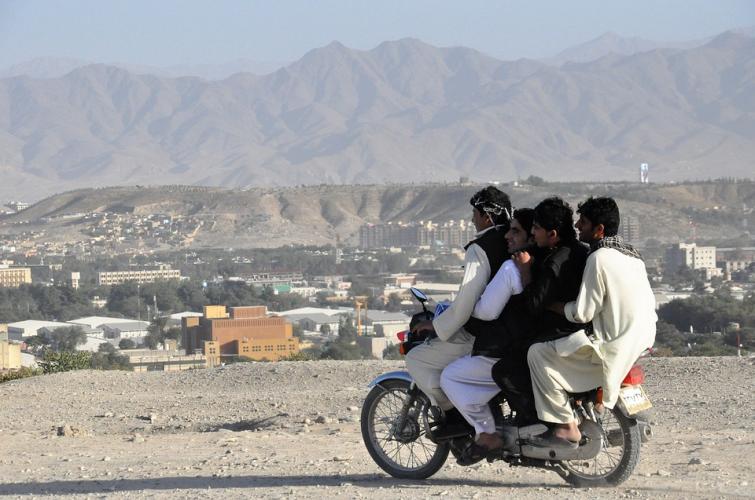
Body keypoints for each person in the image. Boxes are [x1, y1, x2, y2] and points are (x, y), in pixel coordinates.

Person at [526, 197, 657, 449]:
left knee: (537, 354)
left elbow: (582, 313)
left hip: (612, 344)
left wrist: (552, 305)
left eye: (583, 222)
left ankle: (564, 426)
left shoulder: (598, 258)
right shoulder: (633, 256)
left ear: (599, 229)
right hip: (642, 340)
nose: (577, 226)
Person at [408, 186, 511, 435]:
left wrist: (436, 326)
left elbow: (466, 303)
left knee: (416, 359)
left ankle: (454, 417)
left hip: (483, 334)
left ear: (487, 216)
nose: (472, 219)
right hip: (512, 327)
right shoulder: (512, 240)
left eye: (475, 213)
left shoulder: (480, 248)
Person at [439, 208, 534, 461]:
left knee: (451, 377)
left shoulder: (510, 269)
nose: (508, 237)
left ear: (531, 235)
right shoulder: (547, 262)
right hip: (534, 345)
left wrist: (466, 307)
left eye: (515, 232)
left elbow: (486, 311)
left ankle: (486, 433)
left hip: (508, 350)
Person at [489, 197, 589, 435]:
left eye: (536, 228)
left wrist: (525, 271)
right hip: (577, 328)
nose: (532, 234)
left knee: (505, 370)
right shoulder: (579, 250)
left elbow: (534, 304)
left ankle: (541, 424)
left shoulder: (555, 262)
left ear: (552, 234)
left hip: (558, 332)